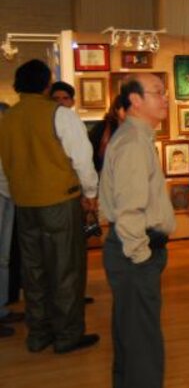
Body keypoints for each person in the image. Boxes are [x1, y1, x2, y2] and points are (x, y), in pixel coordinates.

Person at [0, 59, 100, 353]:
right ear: (46, 84)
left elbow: (4, 167)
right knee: (66, 269)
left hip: (24, 204)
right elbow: (82, 157)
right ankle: (67, 335)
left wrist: (17, 193)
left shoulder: (9, 118)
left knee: (34, 271)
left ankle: (38, 333)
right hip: (59, 201)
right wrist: (90, 192)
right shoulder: (60, 115)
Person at [99, 73, 175, 388]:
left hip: (133, 251)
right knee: (142, 341)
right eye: (157, 92)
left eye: (164, 92)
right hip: (134, 253)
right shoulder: (133, 142)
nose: (165, 98)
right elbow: (129, 210)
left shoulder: (137, 137)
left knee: (132, 334)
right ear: (135, 100)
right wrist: (142, 257)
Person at [0, 102, 24, 338]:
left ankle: (2, 308)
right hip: (4, 193)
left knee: (4, 257)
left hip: (9, 194)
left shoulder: (7, 117)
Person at [88, 95, 126, 172]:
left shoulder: (137, 129)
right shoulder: (103, 127)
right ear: (116, 109)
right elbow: (90, 152)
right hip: (106, 174)